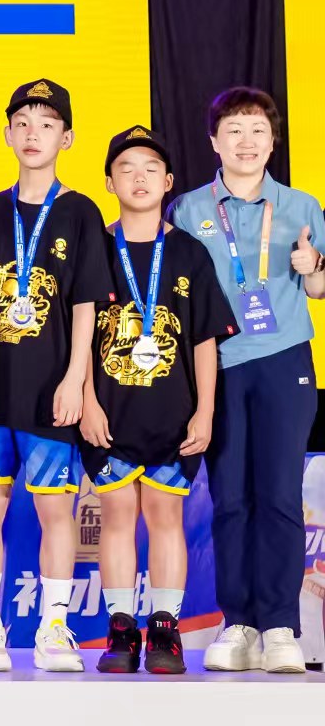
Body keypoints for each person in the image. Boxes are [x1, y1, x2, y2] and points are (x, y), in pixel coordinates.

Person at [170, 87, 325, 673]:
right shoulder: (188, 209)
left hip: (285, 360)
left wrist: (313, 268)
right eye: (233, 130)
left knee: (281, 496)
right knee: (230, 498)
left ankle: (281, 625)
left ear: (272, 141)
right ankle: (237, 623)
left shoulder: (301, 206)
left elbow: (318, 289)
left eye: (258, 130)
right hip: (217, 363)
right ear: (214, 141)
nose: (246, 141)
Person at [0, 78, 110, 672]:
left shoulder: (81, 211)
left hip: (51, 386)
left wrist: (76, 378)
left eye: (47, 125)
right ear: (6, 134)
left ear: (66, 138)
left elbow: (86, 303)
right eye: (22, 123)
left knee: (55, 509)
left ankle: (53, 627)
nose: (33, 134)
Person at [83, 126, 237, 675]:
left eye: (151, 168)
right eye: (126, 168)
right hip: (108, 412)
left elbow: (203, 339)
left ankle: (166, 630)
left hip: (173, 413)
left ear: (169, 181)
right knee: (117, 515)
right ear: (109, 182)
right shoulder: (94, 248)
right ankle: (121, 629)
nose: (139, 177)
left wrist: (205, 410)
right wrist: (86, 400)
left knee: (166, 515)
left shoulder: (190, 253)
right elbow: (77, 335)